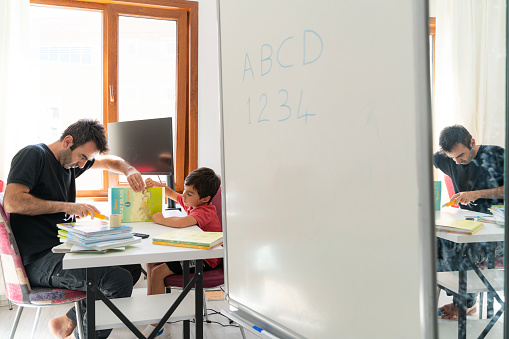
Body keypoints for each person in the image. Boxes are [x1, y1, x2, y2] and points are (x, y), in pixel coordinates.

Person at [3, 119, 146, 339]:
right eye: (82, 157)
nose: (82, 165)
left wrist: (129, 170)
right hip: (38, 261)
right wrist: (67, 206)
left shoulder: (69, 164)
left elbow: (110, 162)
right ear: (67, 141)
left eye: (86, 160)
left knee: (132, 268)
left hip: (62, 251)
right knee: (118, 280)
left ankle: (69, 320)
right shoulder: (34, 156)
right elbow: (12, 202)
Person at [433, 124, 504, 319]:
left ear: (472, 142)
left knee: (459, 250)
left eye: (461, 155)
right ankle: (463, 299)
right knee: (435, 245)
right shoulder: (444, 159)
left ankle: (465, 303)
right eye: (452, 158)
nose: (457, 162)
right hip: (469, 227)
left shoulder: (496, 154)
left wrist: (477, 194)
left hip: (495, 233)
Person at [141, 167, 221, 337]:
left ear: (205, 198)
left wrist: (162, 219)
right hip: (193, 252)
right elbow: (171, 193)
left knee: (157, 273)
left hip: (206, 259)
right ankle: (153, 310)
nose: (184, 196)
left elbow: (182, 222)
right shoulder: (193, 201)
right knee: (151, 263)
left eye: (189, 193)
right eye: (185, 190)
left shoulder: (206, 211)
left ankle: (157, 324)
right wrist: (156, 185)